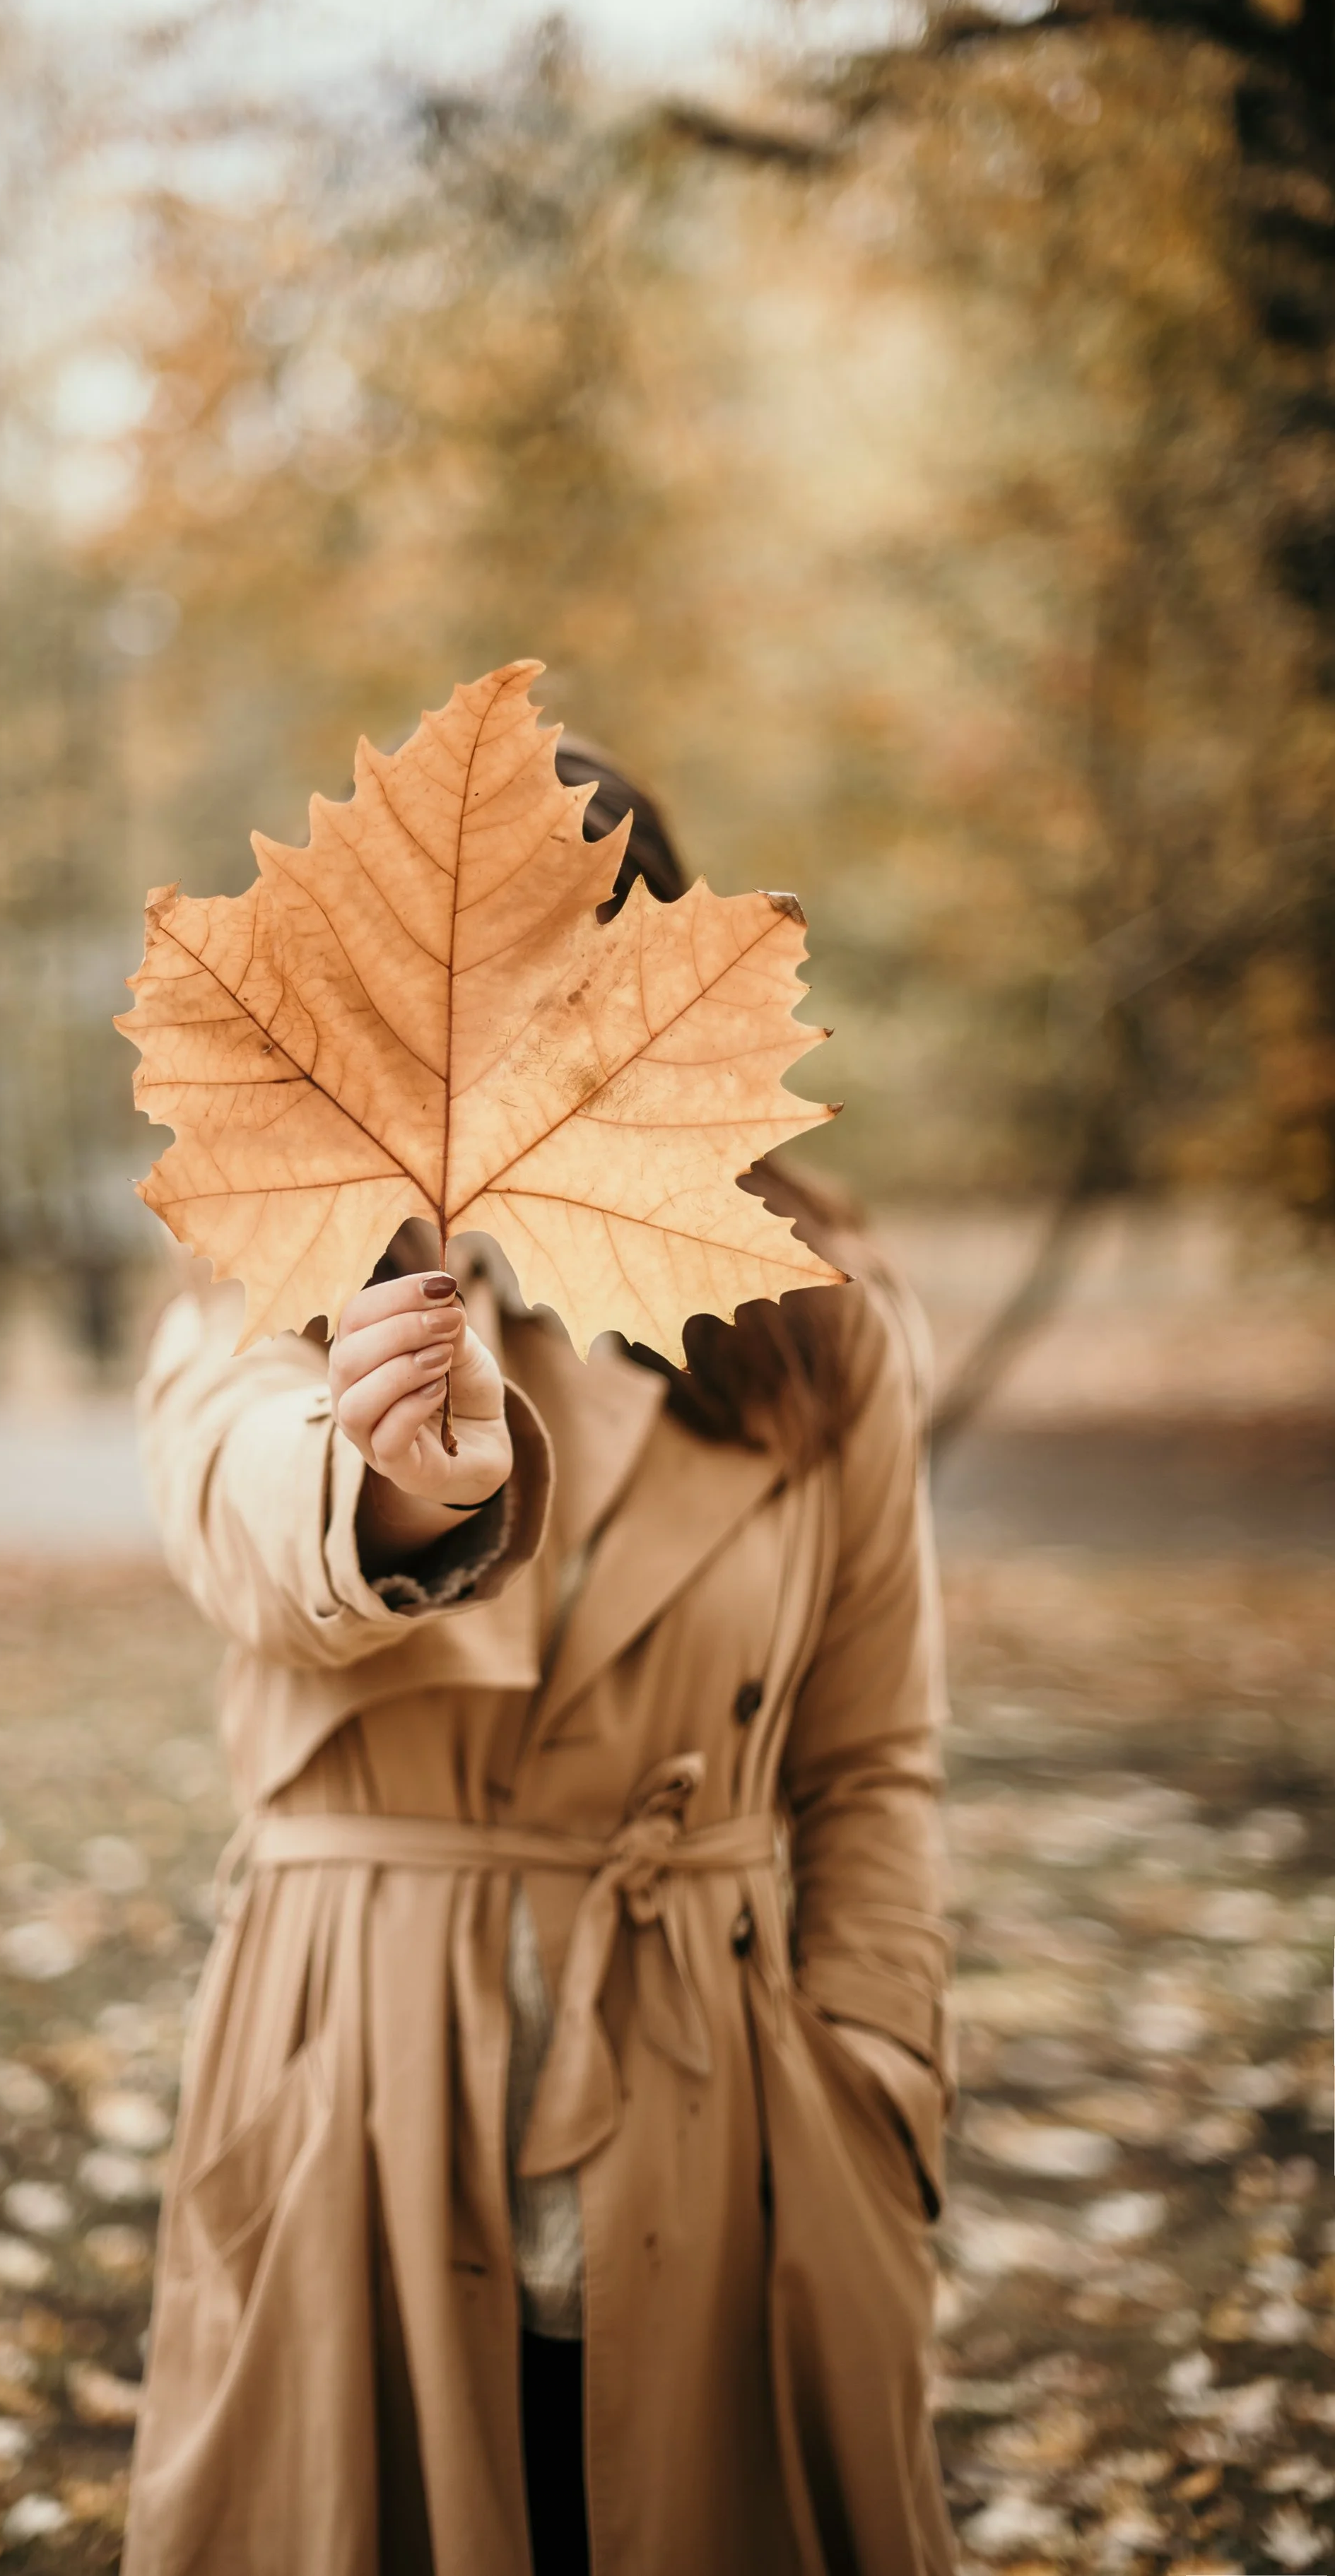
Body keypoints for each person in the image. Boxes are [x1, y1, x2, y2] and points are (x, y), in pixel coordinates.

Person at [122, 743, 957, 2576]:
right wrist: (398, 1491)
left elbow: (870, 1759)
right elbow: (239, 1503)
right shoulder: (281, 1261)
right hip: (357, 2093)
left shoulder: (812, 1323)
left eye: (572, 977)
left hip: (727, 2119)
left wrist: (875, 2083)